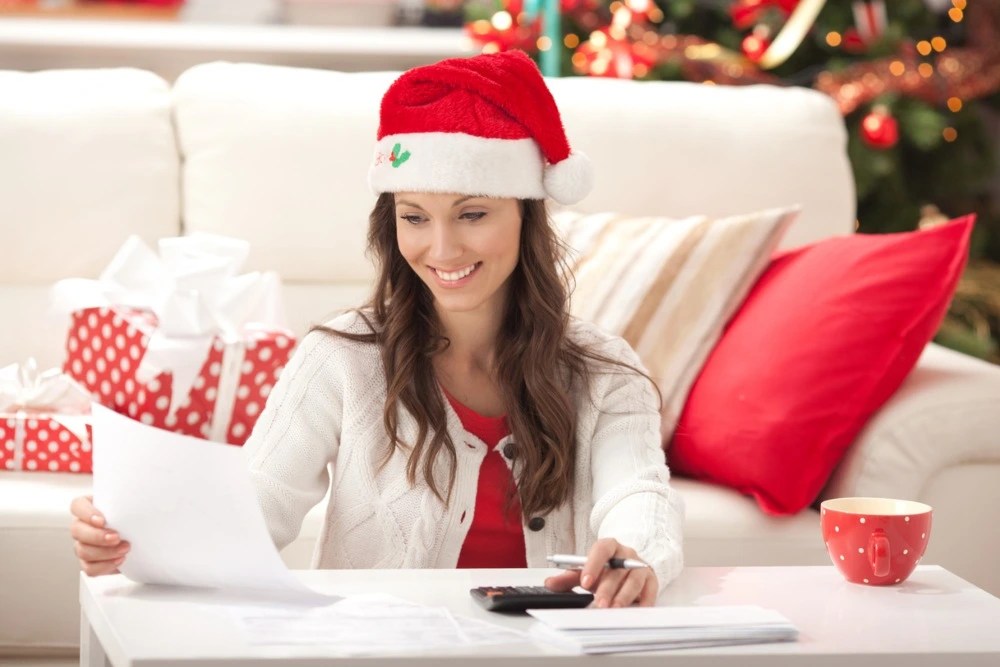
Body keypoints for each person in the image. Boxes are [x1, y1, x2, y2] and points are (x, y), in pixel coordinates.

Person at [70, 50, 684, 608]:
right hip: (380, 648)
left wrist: (633, 552)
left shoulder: (604, 371)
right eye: (414, 217)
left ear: (526, 217)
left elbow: (637, 491)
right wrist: (134, 538)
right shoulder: (339, 356)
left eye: (473, 214)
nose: (441, 248)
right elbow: (257, 503)